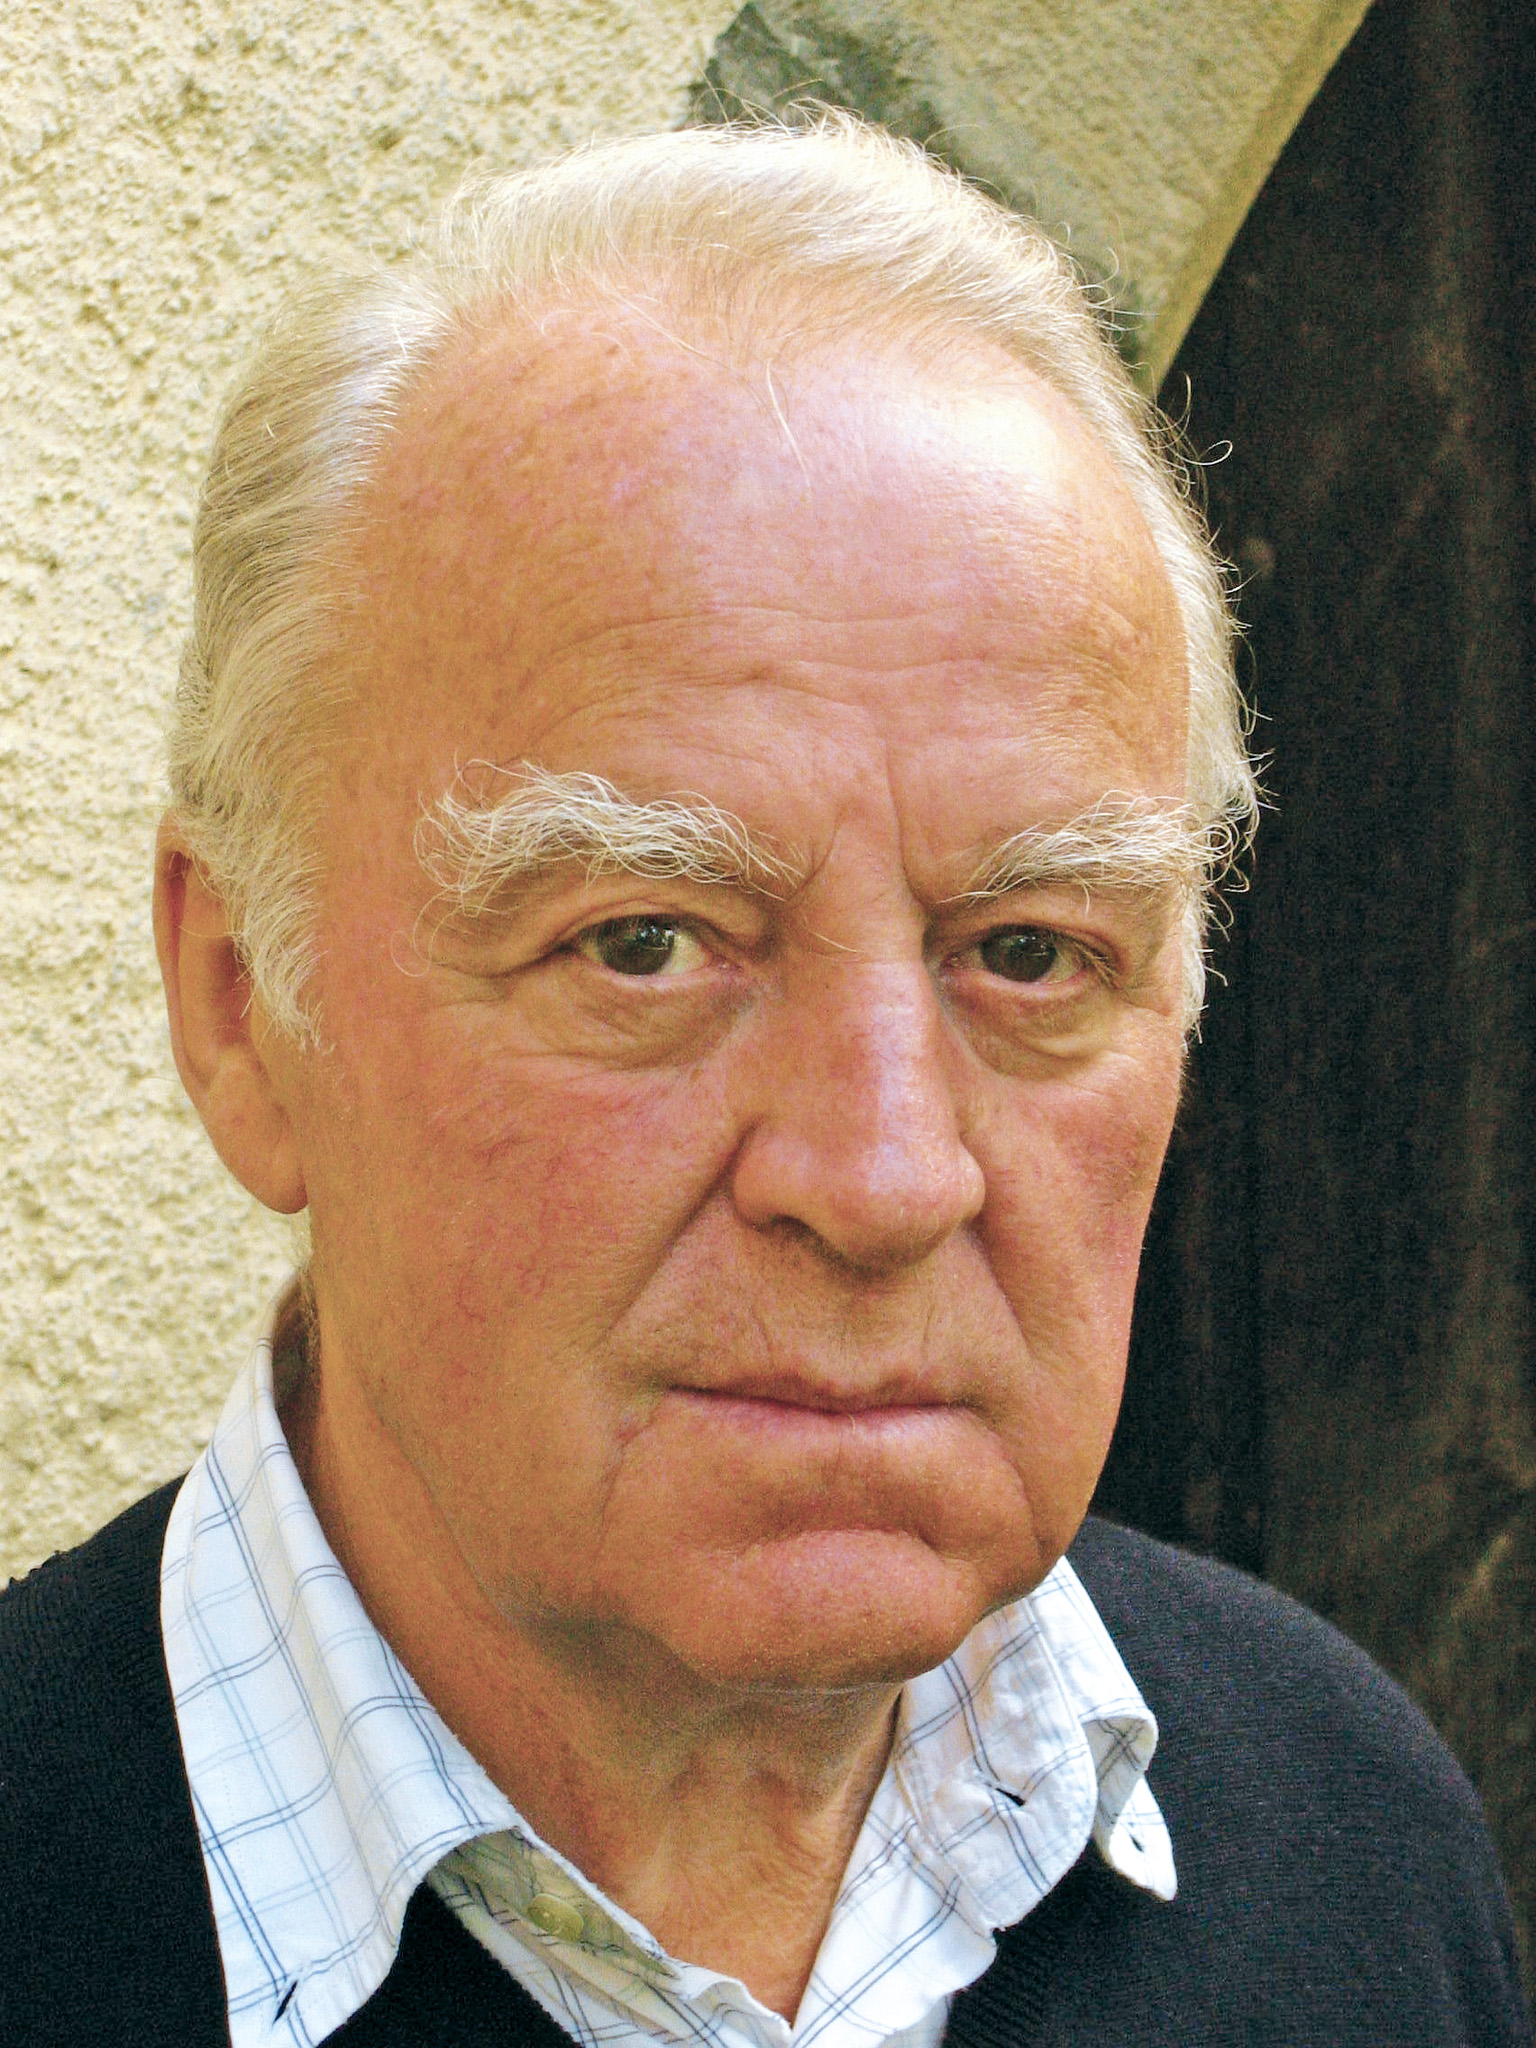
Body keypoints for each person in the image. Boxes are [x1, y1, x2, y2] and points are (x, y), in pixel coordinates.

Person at [1, 118, 1528, 2048]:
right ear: (240, 1005)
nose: (883, 1176)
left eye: (1031, 952)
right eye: (646, 941)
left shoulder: (1342, 1851)